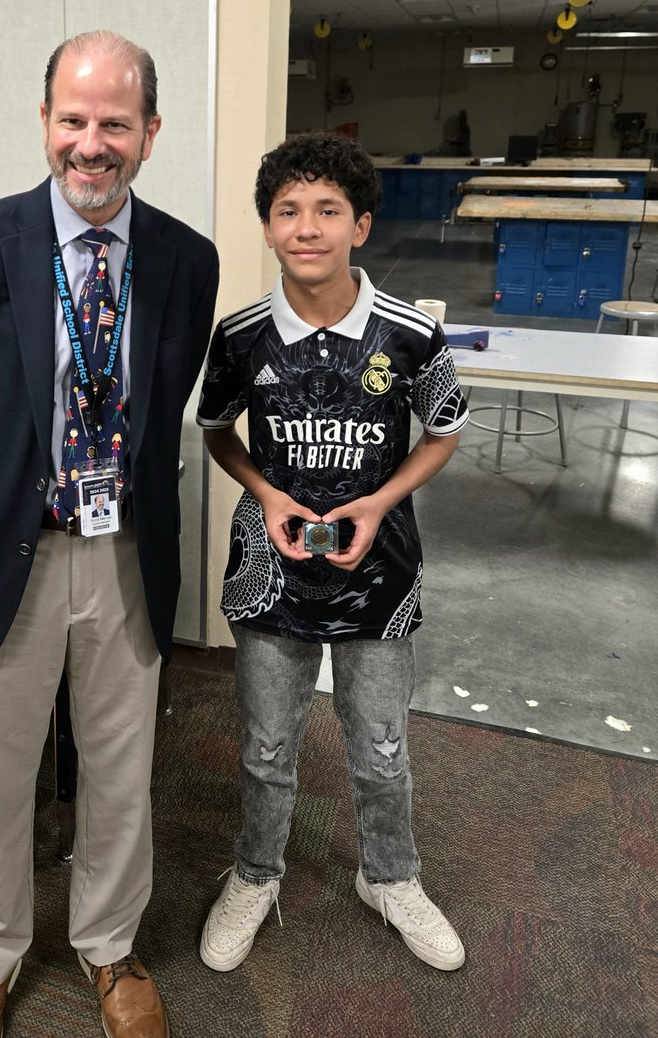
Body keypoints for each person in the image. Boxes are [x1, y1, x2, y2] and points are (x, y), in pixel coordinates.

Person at [0, 31, 219, 1038]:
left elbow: (163, 398)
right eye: (73, 120)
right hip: (8, 547)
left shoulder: (186, 260)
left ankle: (109, 946)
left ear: (150, 133)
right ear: (44, 122)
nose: (92, 145)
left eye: (115, 124)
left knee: (122, 768)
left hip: (127, 548)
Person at [195, 131, 468, 978]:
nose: (306, 227)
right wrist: (269, 494)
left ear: (362, 226)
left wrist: (381, 498)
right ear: (268, 228)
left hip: (377, 575)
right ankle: (255, 874)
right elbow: (216, 431)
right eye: (287, 211)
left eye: (327, 210)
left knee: (381, 743)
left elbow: (446, 428)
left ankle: (390, 876)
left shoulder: (410, 336)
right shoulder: (239, 337)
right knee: (266, 744)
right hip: (270, 576)